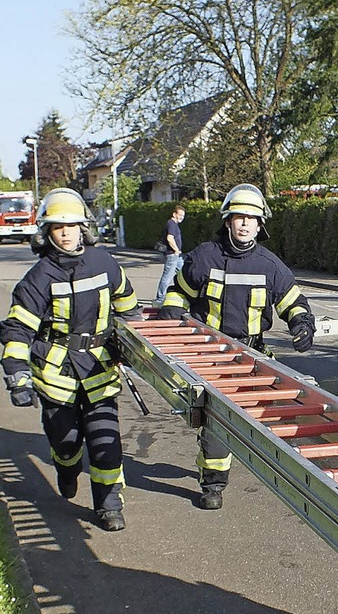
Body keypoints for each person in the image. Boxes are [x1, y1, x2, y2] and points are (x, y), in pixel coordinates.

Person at [158, 184, 316, 510]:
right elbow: (180, 290)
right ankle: (213, 484)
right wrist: (172, 312)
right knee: (218, 424)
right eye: (239, 216)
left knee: (263, 422)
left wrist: (302, 324)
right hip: (211, 356)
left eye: (251, 218)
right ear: (228, 220)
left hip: (254, 358)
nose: (245, 223)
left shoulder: (270, 266)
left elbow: (293, 302)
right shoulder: (205, 256)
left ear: (260, 225)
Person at [0, 189, 140, 532]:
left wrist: (140, 349)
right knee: (66, 441)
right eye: (58, 227)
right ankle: (66, 467)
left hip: (100, 370)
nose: (66, 233)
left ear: (83, 228)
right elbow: (17, 330)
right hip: (55, 375)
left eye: (72, 226)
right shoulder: (37, 279)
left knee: (106, 443)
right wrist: (17, 375)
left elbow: (129, 308)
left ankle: (109, 504)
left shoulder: (104, 262)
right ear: (46, 232)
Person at [155, 205, 186, 305]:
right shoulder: (171, 224)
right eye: (180, 215)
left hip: (176, 256)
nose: (182, 217)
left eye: (183, 216)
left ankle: (184, 294)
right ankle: (160, 299)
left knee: (184, 274)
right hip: (172, 255)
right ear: (174, 214)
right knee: (167, 276)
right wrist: (176, 250)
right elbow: (170, 238)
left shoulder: (173, 224)